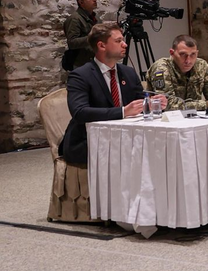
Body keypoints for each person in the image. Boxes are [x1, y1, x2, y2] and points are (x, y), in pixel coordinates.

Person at [60, 23, 164, 165]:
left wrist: (151, 104)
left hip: (127, 138)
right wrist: (123, 111)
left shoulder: (128, 72)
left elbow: (139, 102)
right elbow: (80, 112)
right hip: (89, 141)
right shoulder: (80, 75)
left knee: (160, 149)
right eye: (118, 41)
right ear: (102, 46)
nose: (125, 45)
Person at [146, 35, 208, 111]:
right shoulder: (161, 68)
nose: (188, 60)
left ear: (197, 53)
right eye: (183, 54)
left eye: (193, 54)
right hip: (165, 119)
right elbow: (167, 105)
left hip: (196, 118)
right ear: (172, 53)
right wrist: (207, 105)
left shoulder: (201, 65)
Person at [63, 0, 101, 70]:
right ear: (81, 2)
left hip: (95, 62)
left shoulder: (96, 17)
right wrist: (92, 38)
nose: (94, 0)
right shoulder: (75, 19)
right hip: (81, 64)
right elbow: (72, 42)